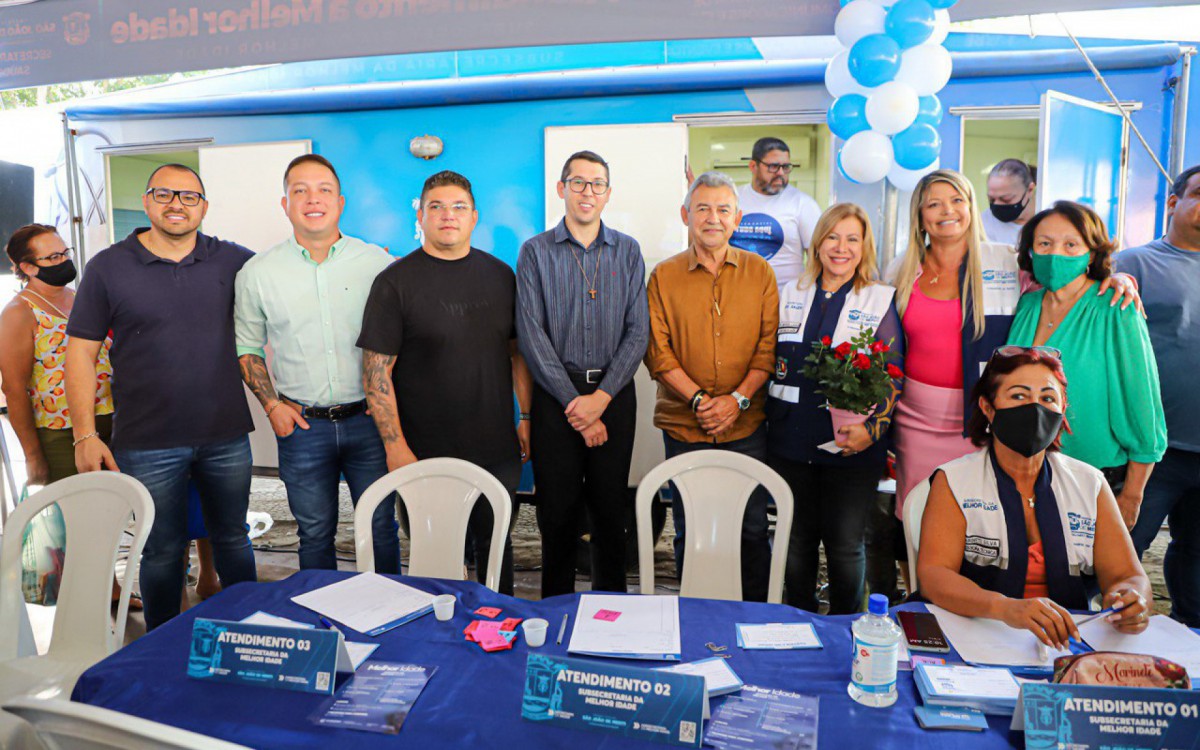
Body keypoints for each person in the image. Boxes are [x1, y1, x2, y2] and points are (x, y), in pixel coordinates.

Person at [887, 170, 1140, 538]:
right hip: (916, 418)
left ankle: (972, 593)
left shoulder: (1005, 262)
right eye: (934, 203)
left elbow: (1065, 281)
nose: (948, 210)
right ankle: (919, 591)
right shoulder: (901, 269)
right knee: (915, 516)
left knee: (981, 519)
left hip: (983, 414)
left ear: (971, 208)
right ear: (920, 214)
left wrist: (1114, 278)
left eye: (957, 200)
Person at [65, 163, 257, 630]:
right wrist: (84, 435)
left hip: (226, 434)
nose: (177, 204)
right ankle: (162, 643)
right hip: (147, 440)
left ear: (204, 207)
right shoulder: (108, 267)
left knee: (233, 538)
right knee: (161, 548)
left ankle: (250, 634)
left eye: (189, 196)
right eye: (165, 194)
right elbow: (80, 355)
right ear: (148, 202)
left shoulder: (234, 261)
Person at [358, 171, 532, 595]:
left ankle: (499, 635)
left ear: (474, 217)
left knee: (496, 553)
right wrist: (395, 446)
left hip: (495, 449)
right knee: (433, 562)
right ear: (421, 215)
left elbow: (517, 355)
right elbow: (375, 373)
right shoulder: (394, 283)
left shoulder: (501, 276)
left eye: (458, 207)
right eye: (435, 206)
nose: (447, 215)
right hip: (423, 451)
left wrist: (526, 416)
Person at [918, 347, 1153, 649]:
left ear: (1062, 408)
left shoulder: (1089, 483)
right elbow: (934, 575)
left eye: (1047, 398)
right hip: (975, 634)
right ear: (988, 408)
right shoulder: (955, 481)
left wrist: (1133, 601)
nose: (1035, 408)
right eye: (1018, 396)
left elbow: (1128, 575)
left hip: (1070, 642)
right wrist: (1005, 608)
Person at [235, 154, 398, 573]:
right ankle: (319, 624)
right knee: (314, 532)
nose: (313, 199)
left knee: (381, 526)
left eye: (324, 189)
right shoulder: (258, 272)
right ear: (285, 203)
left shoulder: (377, 264)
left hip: (369, 422)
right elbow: (248, 347)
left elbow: (400, 344)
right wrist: (272, 406)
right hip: (302, 427)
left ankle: (392, 617)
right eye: (300, 190)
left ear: (340, 202)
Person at [516, 150, 649, 597]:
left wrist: (601, 399)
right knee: (557, 511)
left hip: (614, 396)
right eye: (578, 182)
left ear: (608, 194)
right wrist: (576, 404)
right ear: (562, 189)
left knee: (611, 509)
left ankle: (612, 611)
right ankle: (555, 606)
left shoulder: (628, 250)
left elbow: (638, 333)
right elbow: (531, 335)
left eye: (597, 184)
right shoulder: (535, 252)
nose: (587, 192)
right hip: (557, 399)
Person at [646, 171, 778, 602]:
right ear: (686, 215)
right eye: (702, 208)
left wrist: (737, 400)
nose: (713, 218)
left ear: (737, 218)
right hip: (685, 426)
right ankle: (695, 614)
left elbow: (767, 348)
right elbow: (657, 353)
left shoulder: (760, 273)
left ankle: (756, 616)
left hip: (747, 425)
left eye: (723, 209)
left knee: (752, 526)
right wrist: (702, 400)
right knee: (691, 527)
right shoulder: (663, 277)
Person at [766, 203, 904, 614]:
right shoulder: (789, 293)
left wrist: (872, 431)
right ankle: (798, 620)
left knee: (845, 545)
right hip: (789, 441)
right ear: (817, 242)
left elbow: (893, 374)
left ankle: (847, 629)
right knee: (795, 541)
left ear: (865, 248)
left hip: (852, 447)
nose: (840, 248)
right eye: (832, 237)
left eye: (852, 239)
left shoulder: (879, 298)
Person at [1007, 201, 1165, 525]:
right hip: (1028, 470)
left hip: (1096, 476)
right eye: (1045, 244)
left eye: (1071, 244)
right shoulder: (1027, 303)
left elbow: (1141, 398)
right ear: (1031, 251)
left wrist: (1133, 494)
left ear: (1091, 253)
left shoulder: (1116, 306)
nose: (1056, 254)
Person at [1115, 165, 1200, 627]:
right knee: (1122, 555)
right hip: (1153, 453)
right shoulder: (1135, 265)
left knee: (1195, 565)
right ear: (1173, 202)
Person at [729, 136, 822, 287]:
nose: (780, 173)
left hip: (784, 299)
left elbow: (818, 257)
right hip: (736, 294)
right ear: (753, 166)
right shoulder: (732, 199)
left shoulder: (803, 204)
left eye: (786, 167)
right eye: (773, 166)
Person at [983, 159, 1037, 247]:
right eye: (992, 199)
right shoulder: (982, 224)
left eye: (1006, 199)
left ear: (1030, 190)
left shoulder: (1048, 221)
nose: (998, 204)